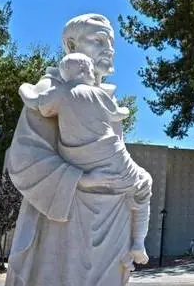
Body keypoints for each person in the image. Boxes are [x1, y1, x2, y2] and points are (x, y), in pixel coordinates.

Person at [5, 14, 152, 286]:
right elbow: (24, 159)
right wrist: (81, 180)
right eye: (98, 41)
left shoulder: (104, 99)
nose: (109, 49)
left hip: (114, 215)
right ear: (71, 46)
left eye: (111, 42)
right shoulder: (51, 90)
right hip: (65, 221)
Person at [19, 52, 150, 265]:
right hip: (111, 156)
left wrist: (23, 87)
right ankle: (138, 243)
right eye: (90, 70)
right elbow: (118, 114)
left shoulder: (59, 94)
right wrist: (123, 110)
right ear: (83, 71)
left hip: (79, 159)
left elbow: (34, 101)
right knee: (144, 184)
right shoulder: (97, 94)